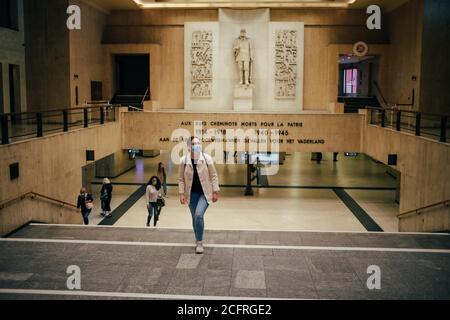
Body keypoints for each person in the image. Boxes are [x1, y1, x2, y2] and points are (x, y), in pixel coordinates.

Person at [179, 136, 220, 254]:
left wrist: (215, 191)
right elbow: (181, 179)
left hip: (205, 193)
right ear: (189, 147)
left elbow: (214, 176)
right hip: (190, 194)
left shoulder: (206, 158)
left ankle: (200, 242)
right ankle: (197, 239)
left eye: (198, 143)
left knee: (198, 215)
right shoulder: (183, 161)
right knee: (194, 218)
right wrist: (182, 194)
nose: (197, 145)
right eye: (194, 143)